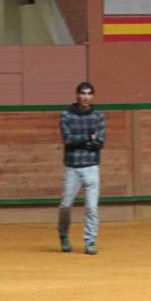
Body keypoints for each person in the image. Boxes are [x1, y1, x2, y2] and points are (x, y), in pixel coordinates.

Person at [58, 82, 105, 255]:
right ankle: (63, 234)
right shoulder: (66, 116)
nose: (85, 97)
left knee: (92, 207)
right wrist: (87, 137)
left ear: (92, 96)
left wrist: (87, 141)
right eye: (83, 93)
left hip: (92, 166)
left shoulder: (98, 116)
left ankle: (90, 240)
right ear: (77, 95)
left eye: (89, 94)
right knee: (65, 205)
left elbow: (99, 143)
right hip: (72, 167)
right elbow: (68, 140)